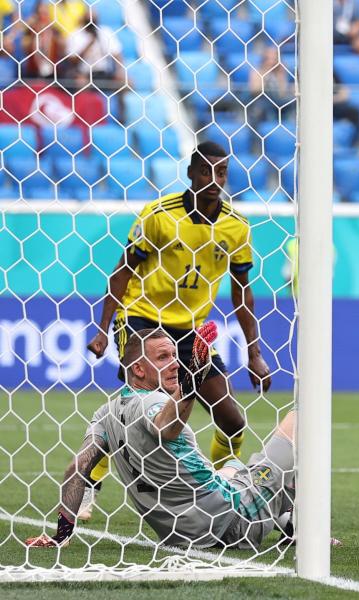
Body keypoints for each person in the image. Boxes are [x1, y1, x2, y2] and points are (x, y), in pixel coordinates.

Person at [84, 142, 272, 518]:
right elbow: (123, 271)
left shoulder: (236, 226)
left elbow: (242, 295)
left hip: (190, 330)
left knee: (232, 420)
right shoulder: (159, 215)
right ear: (191, 174)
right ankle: (89, 486)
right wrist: (103, 328)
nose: (214, 180)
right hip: (142, 319)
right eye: (206, 172)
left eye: (221, 173)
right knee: (132, 414)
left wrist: (254, 353)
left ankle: (222, 489)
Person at [26, 327, 296, 550]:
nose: (175, 363)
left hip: (182, 534)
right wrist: (189, 389)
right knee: (303, 418)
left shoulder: (105, 413)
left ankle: (289, 524)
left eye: (175, 355)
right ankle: (308, 530)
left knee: (233, 467)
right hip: (236, 520)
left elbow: (76, 469)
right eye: (163, 357)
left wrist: (60, 535)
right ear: (139, 370)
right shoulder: (151, 402)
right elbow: (165, 427)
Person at [66, 8, 124, 90]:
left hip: (105, 73)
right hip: (85, 74)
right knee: (80, 83)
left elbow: (117, 53)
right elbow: (72, 61)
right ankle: (85, 103)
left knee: (126, 82)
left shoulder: (105, 32)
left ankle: (121, 103)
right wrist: (89, 44)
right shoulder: (75, 35)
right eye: (89, 20)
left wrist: (119, 71)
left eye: (94, 20)